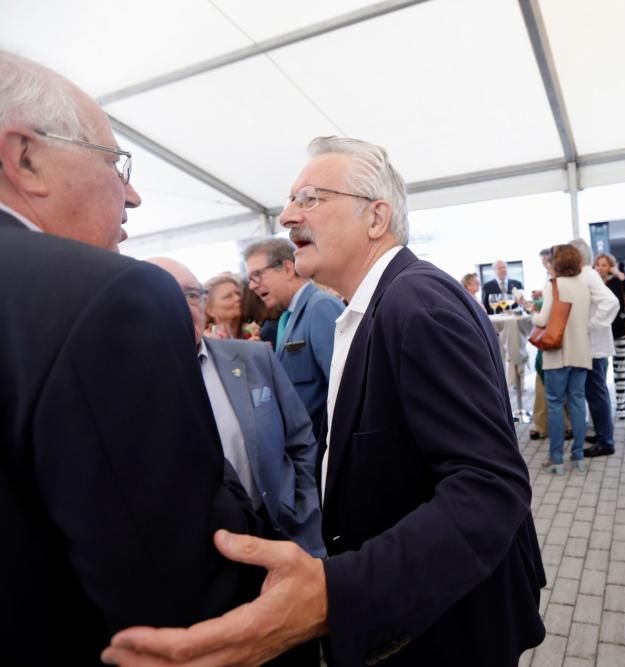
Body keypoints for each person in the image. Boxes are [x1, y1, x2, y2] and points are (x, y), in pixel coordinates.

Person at [105, 136, 546, 667]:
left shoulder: (416, 304)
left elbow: (489, 486)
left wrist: (338, 591)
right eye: (291, 200)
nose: (289, 217)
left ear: (376, 217)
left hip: (452, 624)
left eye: (310, 198)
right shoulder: (377, 306)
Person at [0, 50, 260, 665]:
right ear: (25, 158)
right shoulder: (109, 295)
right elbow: (182, 602)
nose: (135, 195)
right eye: (116, 163)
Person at [149, 257, 325, 558]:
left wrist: (301, 509)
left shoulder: (253, 357)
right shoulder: (133, 380)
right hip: (197, 557)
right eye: (165, 295)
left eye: (192, 295)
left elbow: (300, 439)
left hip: (281, 534)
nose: (183, 306)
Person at [244, 238, 345, 443]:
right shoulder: (287, 317)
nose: (253, 286)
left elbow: (344, 389)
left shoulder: (320, 307)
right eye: (250, 279)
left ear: (288, 268)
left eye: (257, 275)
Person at [531, 244, 592, 474]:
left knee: (555, 405)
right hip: (581, 353)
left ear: (557, 263)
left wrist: (532, 313)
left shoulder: (553, 286)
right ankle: (578, 457)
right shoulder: (584, 286)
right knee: (577, 403)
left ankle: (556, 460)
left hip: (558, 354)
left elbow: (542, 320)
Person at [568, 239, 620, 459]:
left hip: (594, 347)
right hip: (590, 347)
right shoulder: (584, 275)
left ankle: (606, 441)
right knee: (594, 393)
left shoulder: (588, 275)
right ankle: (602, 434)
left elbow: (611, 302)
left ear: (578, 257)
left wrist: (589, 326)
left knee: (596, 393)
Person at [593, 252, 625, 420]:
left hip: (619, 333)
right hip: (599, 336)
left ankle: (622, 406)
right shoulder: (592, 284)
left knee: (621, 372)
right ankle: (602, 407)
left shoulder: (616, 282)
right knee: (600, 374)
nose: (600, 268)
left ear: (610, 267)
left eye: (604, 265)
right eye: (598, 264)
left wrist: (618, 273)